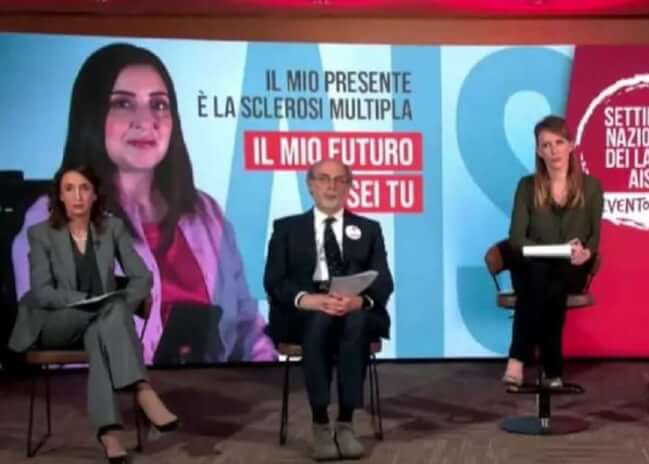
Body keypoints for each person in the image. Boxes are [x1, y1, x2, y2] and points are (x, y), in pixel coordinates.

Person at [11, 42, 275, 364]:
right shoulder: (52, 218)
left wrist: (269, 379)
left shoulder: (206, 213)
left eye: (159, 104)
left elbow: (246, 328)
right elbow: (58, 339)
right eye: (123, 103)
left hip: (216, 390)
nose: (146, 120)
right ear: (91, 116)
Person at [8, 166, 178, 464]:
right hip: (55, 323)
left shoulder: (112, 229)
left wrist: (121, 307)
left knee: (101, 331)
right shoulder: (41, 234)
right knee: (109, 311)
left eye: (84, 188)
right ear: (60, 196)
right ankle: (142, 389)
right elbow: (43, 292)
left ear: (95, 195)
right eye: (69, 188)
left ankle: (109, 435)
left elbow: (142, 277)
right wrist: (94, 302)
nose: (77, 196)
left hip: (99, 324)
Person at [264, 158, 393, 461]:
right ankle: (321, 422)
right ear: (310, 185)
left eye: (339, 180)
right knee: (320, 320)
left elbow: (383, 280)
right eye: (323, 178)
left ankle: (346, 422)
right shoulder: (286, 228)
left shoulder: (369, 229)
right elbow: (274, 280)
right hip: (303, 312)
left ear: (349, 187)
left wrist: (360, 301)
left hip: (353, 308)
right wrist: (306, 299)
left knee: (356, 321)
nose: (331, 186)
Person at [502, 115, 604, 389]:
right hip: (530, 267)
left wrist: (586, 253)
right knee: (540, 274)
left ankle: (517, 358)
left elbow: (594, 238)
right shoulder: (526, 186)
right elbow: (516, 239)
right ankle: (552, 369)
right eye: (546, 145)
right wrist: (545, 251)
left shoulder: (592, 188)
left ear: (571, 145)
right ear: (538, 151)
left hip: (571, 267)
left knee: (551, 279)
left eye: (559, 142)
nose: (553, 150)